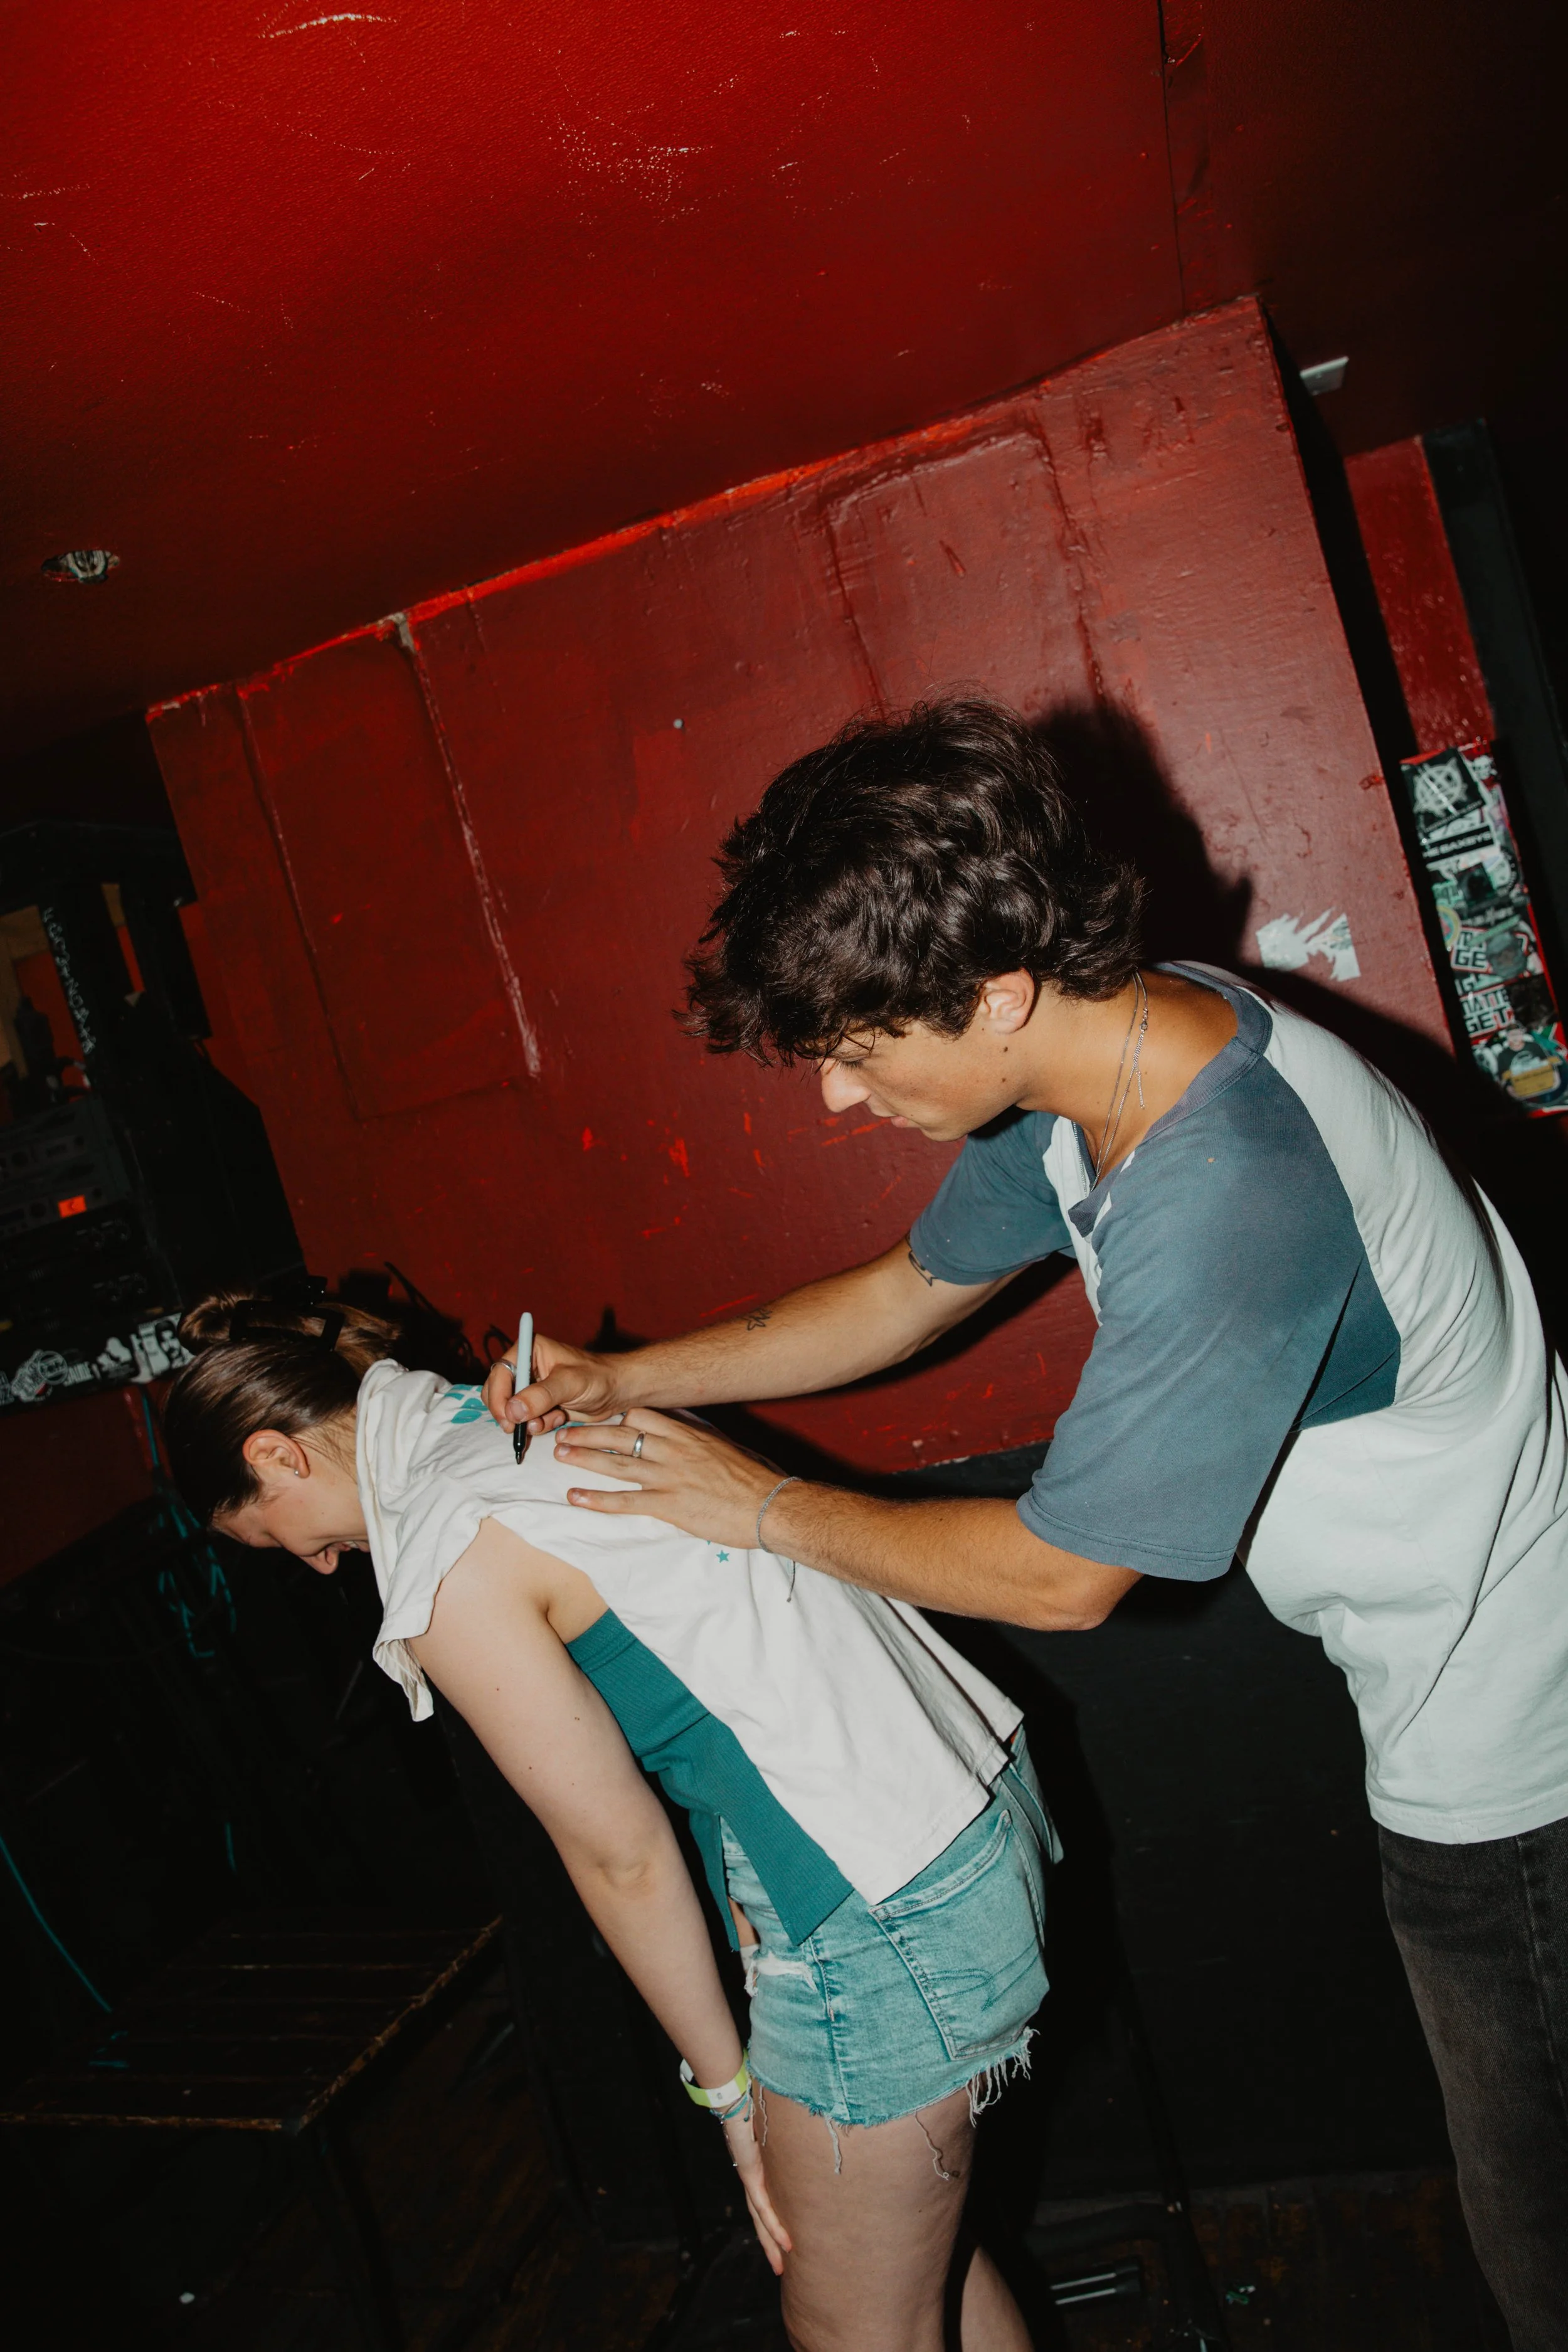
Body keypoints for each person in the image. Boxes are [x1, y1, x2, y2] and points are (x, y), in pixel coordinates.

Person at [488, 696, 1568, 2351]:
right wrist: (625, 1378)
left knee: (1537, 2244)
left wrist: (759, 1502)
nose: (840, 1096)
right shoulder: (1115, 1057)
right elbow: (903, 1293)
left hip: (1527, 1748)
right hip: (1464, 1672)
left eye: (857, 1047)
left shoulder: (1227, 1189)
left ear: (994, 991)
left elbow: (1063, 1575)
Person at [162, 1291, 1054, 2352]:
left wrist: (729, 2102)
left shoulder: (451, 1553)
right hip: (958, 1805)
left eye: (274, 1537)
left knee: (849, 2324)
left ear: (277, 1454)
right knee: (922, 2263)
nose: (318, 1564)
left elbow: (621, 1856)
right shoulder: (525, 1406)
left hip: (876, 1906)